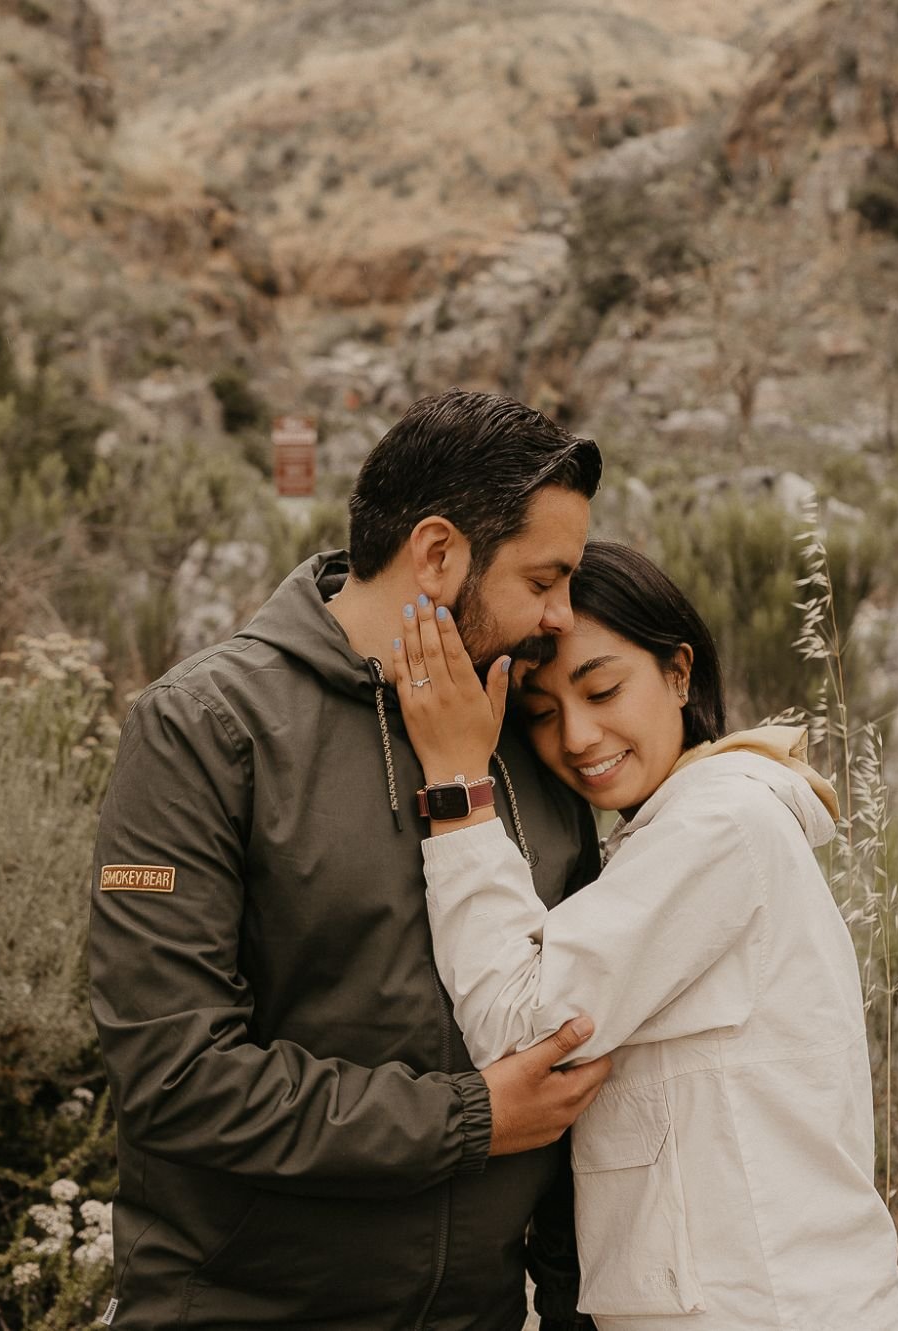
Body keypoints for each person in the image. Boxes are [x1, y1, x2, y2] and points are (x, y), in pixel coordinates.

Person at [89, 390, 615, 1330]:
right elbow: (176, 1076)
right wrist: (471, 1117)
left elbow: (582, 1063)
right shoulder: (208, 727)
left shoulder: (533, 737)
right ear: (438, 553)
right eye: (544, 579)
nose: (563, 616)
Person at [388, 540, 898, 1331]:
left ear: (678, 672)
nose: (577, 735)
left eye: (602, 689)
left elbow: (518, 1029)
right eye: (542, 714)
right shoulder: (679, 830)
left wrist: (458, 790)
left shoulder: (721, 825)